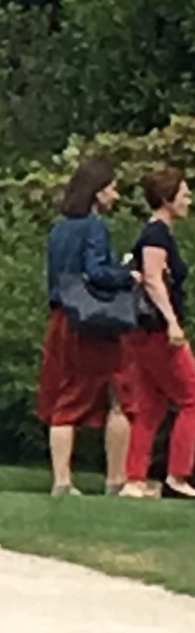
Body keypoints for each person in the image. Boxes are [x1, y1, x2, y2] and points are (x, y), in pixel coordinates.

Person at [42, 155, 139, 497]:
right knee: (118, 395)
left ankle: (62, 478)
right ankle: (116, 478)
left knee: (65, 396)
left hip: (62, 317)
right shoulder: (94, 226)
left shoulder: (58, 229)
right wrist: (127, 275)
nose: (116, 195)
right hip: (93, 322)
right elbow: (96, 271)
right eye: (112, 189)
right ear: (97, 192)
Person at [128, 169, 195, 500]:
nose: (188, 199)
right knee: (192, 397)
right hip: (157, 330)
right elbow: (153, 280)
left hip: (143, 332)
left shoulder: (158, 233)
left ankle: (135, 479)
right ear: (167, 199)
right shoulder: (156, 235)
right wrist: (172, 322)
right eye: (183, 193)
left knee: (150, 404)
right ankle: (178, 475)